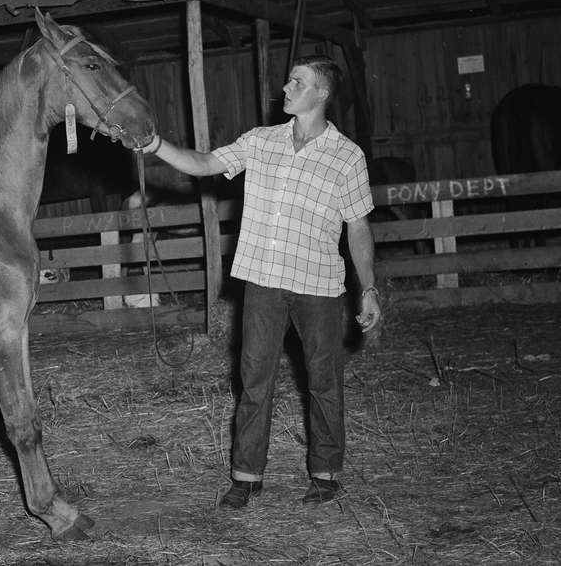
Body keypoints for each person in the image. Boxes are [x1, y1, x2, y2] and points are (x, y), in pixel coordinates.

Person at [138, 55, 382, 508]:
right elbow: (203, 162)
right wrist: (155, 145)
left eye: (297, 82)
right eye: (289, 80)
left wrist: (367, 287)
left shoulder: (347, 156)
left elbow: (359, 227)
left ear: (322, 94)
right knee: (254, 380)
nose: (285, 88)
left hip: (319, 285)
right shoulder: (261, 141)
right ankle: (246, 477)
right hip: (264, 281)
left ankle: (325, 474)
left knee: (323, 381)